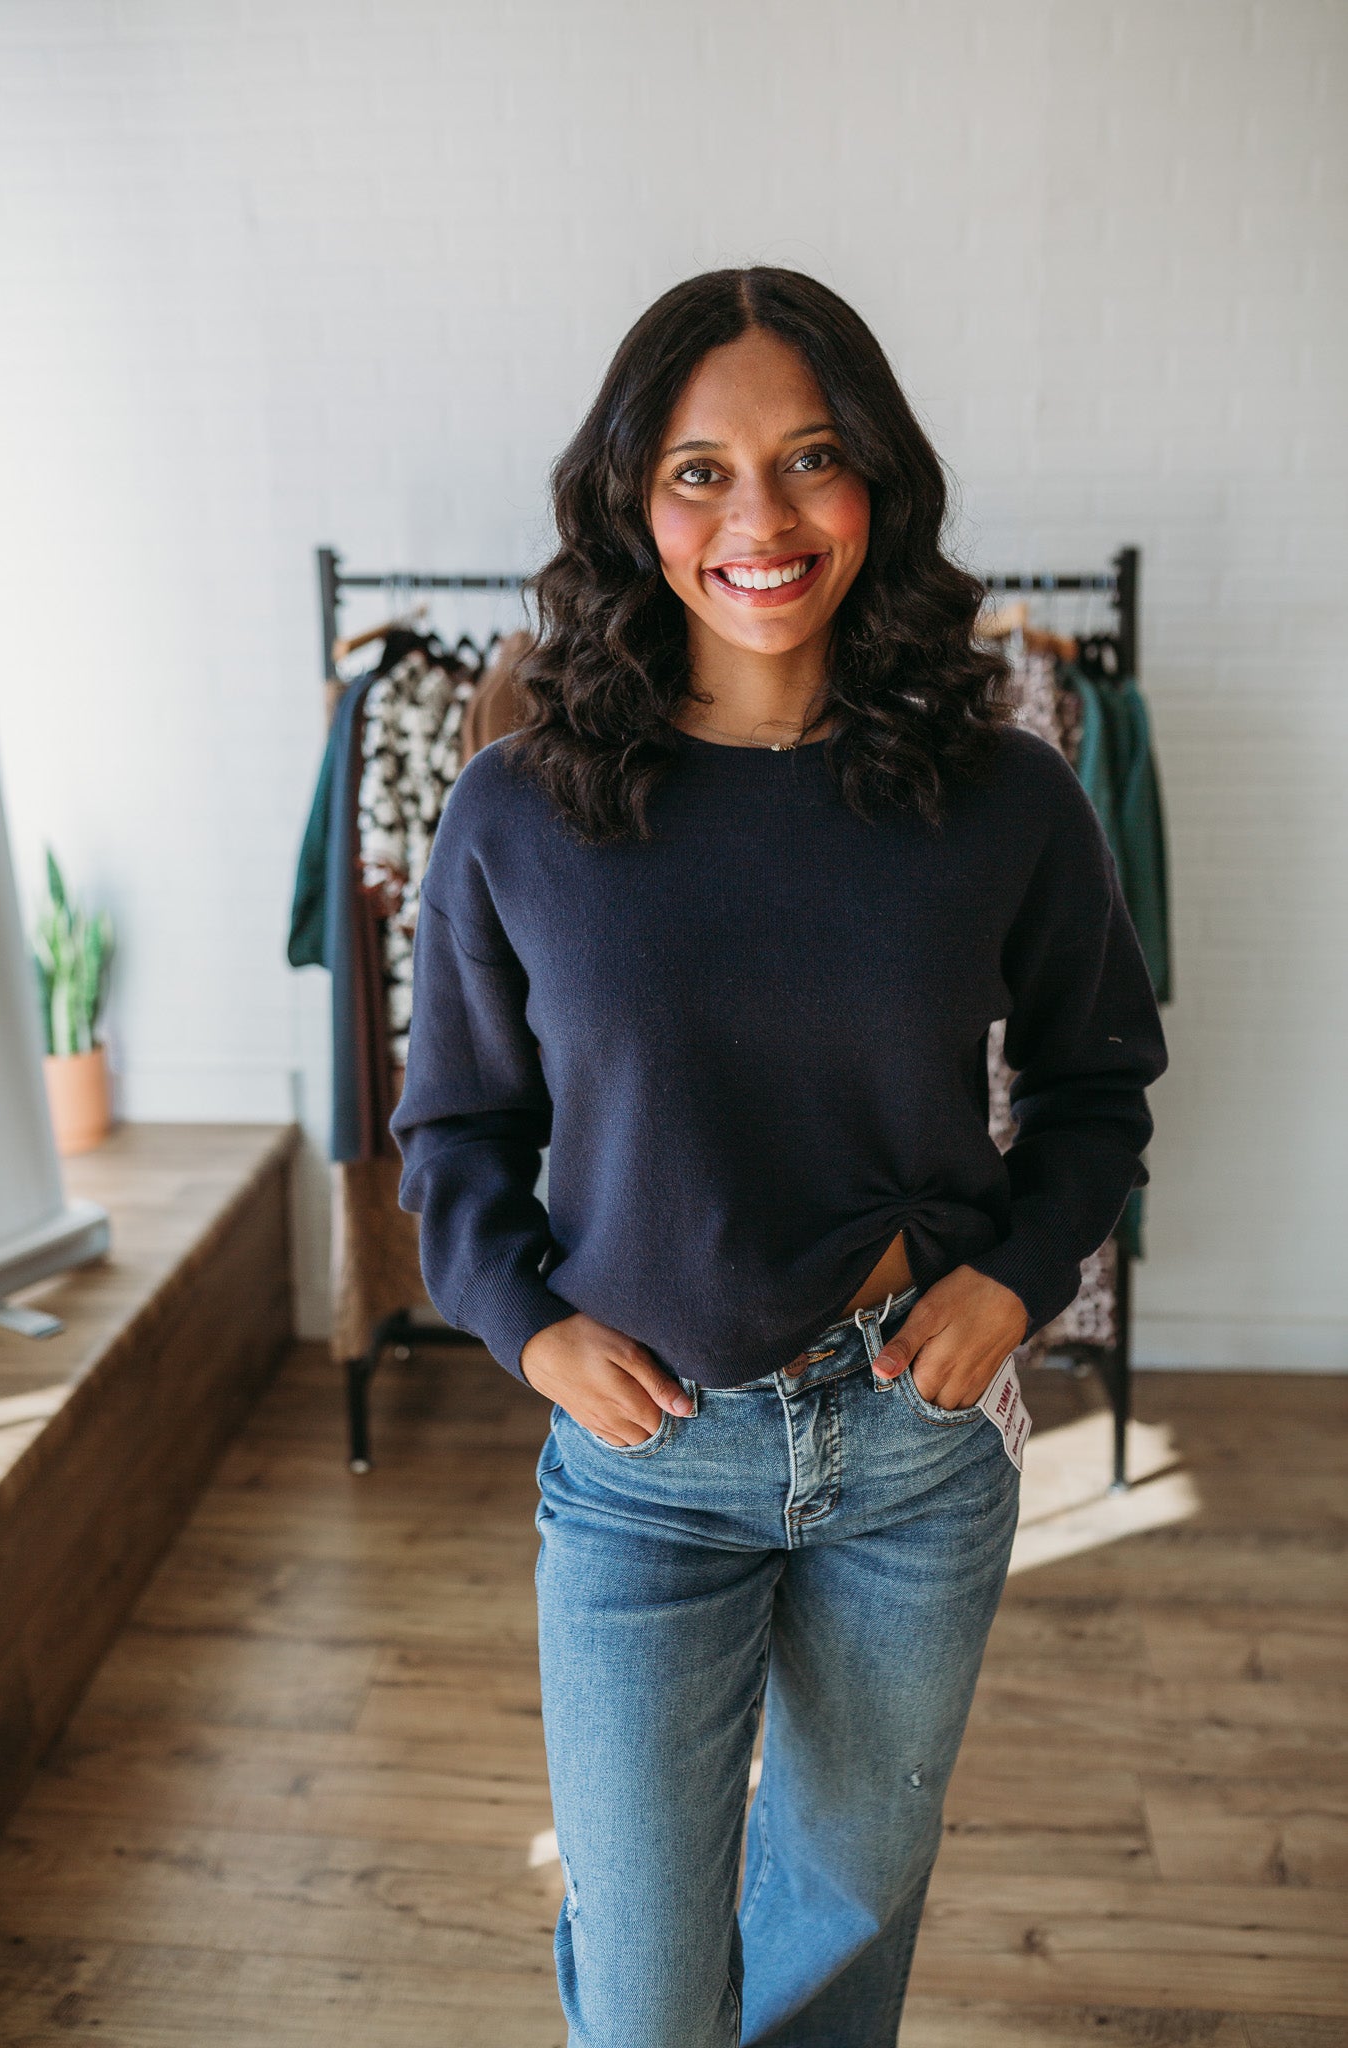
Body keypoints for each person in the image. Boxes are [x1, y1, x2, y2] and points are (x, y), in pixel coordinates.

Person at [390, 267, 1168, 2048]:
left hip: (912, 1454)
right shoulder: (522, 805)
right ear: (628, 502)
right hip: (648, 1467)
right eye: (697, 471)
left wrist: (1010, 1278)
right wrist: (527, 1325)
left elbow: (1096, 1080)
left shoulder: (1003, 795)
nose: (760, 517)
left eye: (810, 459)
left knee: (835, 1949)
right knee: (652, 1988)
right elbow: (454, 1127)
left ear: (876, 483)